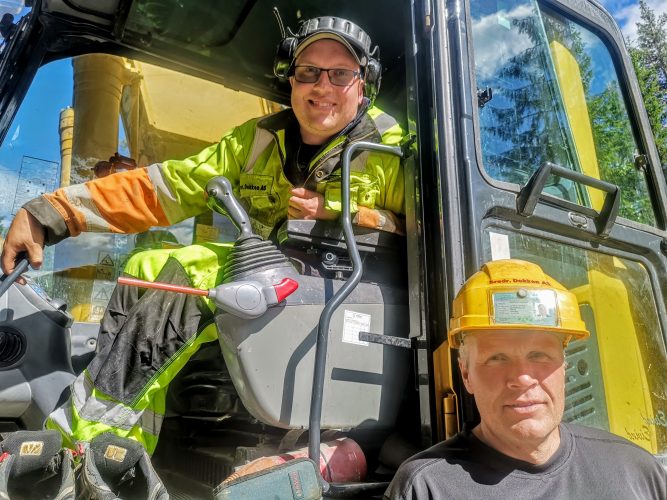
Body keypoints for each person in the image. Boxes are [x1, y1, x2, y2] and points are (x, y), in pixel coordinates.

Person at [0, 15, 406, 455]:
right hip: (269, 278)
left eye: (340, 74)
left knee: (188, 273)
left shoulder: (394, 148)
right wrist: (54, 213)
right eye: (307, 72)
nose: (322, 86)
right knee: (145, 267)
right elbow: (165, 187)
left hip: (348, 291)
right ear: (290, 79)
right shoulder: (258, 140)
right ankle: (126, 451)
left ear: (364, 84)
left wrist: (344, 211)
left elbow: (429, 230)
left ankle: (81, 447)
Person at [385, 259, 667, 499]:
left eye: (539, 355)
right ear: (466, 374)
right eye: (497, 358)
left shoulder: (636, 472)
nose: (521, 378)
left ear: (564, 367)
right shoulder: (424, 488)